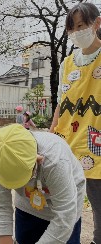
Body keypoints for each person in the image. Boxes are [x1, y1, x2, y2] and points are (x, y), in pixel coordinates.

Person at [49, 3, 101, 244]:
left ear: (97, 23)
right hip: (68, 140)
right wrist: (50, 137)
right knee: (67, 201)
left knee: (98, 202)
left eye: (81, 26)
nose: (76, 32)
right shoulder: (67, 63)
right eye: (71, 28)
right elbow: (61, 102)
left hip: (97, 143)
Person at [0, 124, 85, 244]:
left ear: (37, 159)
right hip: (28, 206)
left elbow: (65, 213)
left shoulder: (55, 161)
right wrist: (4, 238)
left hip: (65, 208)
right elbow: (1, 201)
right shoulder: (1, 157)